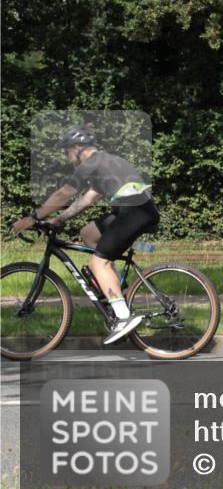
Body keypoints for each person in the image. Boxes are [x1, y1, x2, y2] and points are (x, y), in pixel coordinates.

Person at [11, 125, 160, 345]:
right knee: (88, 233)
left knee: (99, 262)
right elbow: (87, 199)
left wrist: (32, 217)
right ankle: (115, 292)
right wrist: (59, 219)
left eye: (67, 152)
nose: (67, 156)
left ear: (78, 148)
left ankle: (123, 316)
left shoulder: (91, 162)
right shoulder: (105, 163)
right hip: (135, 211)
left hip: (134, 212)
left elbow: (64, 193)